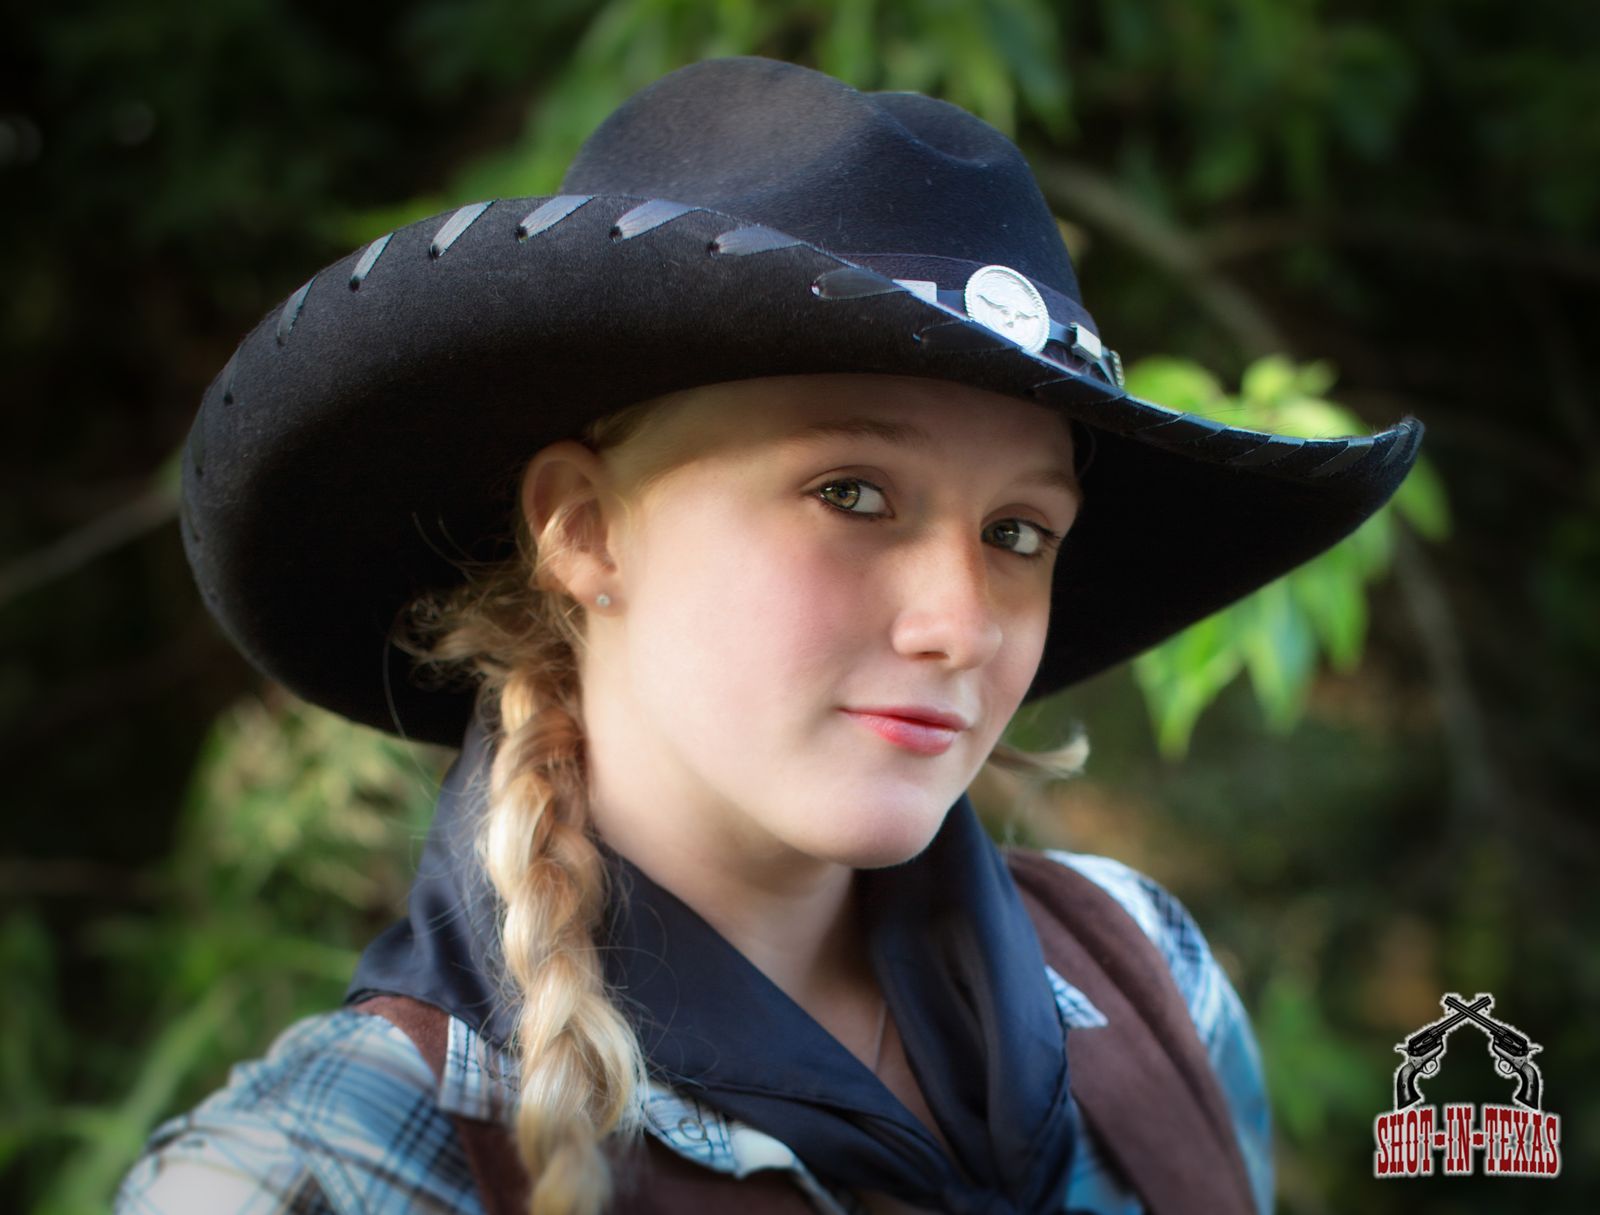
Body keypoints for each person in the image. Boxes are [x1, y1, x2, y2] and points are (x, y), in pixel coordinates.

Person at [114, 56, 1421, 1215]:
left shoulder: (1146, 981)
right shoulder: (321, 1171)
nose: (961, 625)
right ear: (584, 529)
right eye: (850, 494)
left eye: (1019, 532)